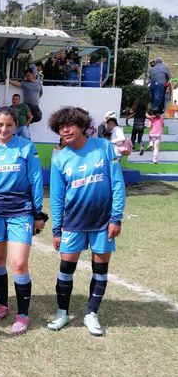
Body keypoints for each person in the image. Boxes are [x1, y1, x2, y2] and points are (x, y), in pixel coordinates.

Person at [47, 107, 126, 336]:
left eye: (70, 125)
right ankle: (62, 313)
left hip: (103, 222)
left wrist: (116, 217)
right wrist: (57, 229)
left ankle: (91, 314)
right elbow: (57, 197)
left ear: (82, 125)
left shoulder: (103, 147)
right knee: (66, 269)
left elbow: (117, 183)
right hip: (73, 222)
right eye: (61, 127)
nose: (65, 130)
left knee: (100, 270)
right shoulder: (60, 158)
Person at [0, 106, 45, 335]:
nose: (4, 129)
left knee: (19, 263)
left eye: (9, 125)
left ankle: (23, 314)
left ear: (16, 126)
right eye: (0, 124)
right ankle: (2, 304)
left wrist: (37, 214)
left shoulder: (26, 147)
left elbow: (35, 180)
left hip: (20, 212)